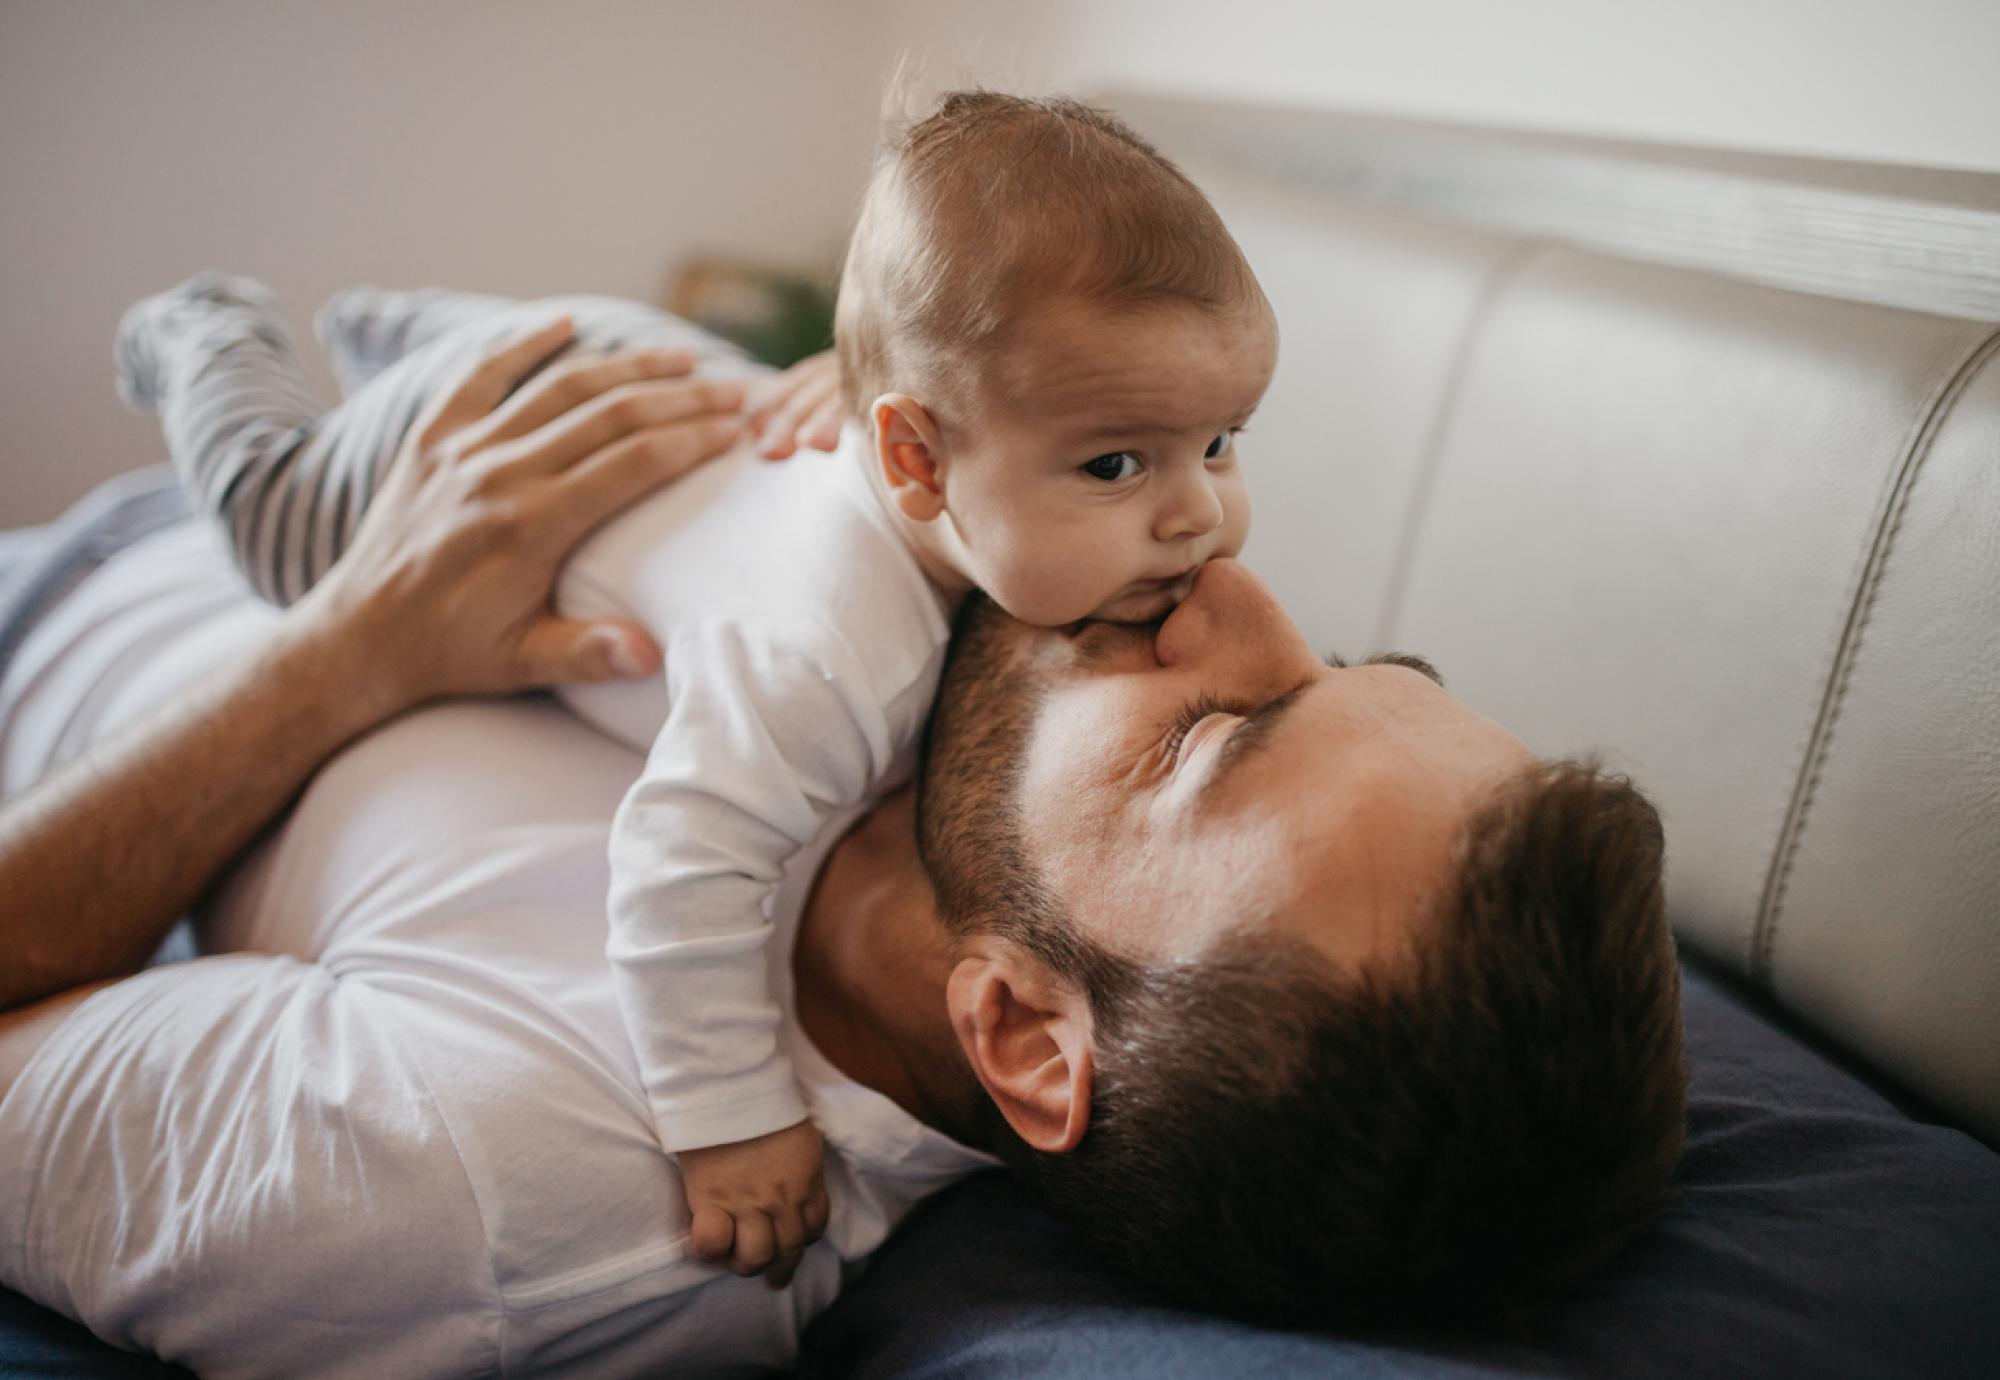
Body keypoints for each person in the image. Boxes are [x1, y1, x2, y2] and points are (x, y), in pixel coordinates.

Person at [111, 91, 1279, 1282]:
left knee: (545, 355)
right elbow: (679, 869)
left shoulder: (982, 495)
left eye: (1223, 440)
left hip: (633, 366)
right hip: (491, 430)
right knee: (278, 534)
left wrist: (866, 375)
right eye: (1117, 462)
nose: (1199, 517)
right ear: (913, 460)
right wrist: (730, 1115)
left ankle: (390, 327)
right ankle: (214, 333)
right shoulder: (818, 661)